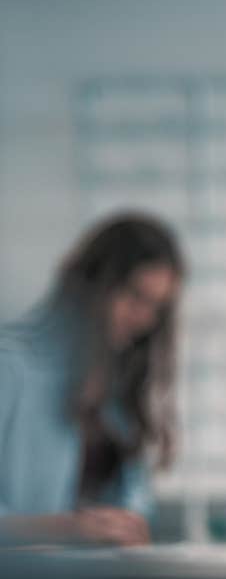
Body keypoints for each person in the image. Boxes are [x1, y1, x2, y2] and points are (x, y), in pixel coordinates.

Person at [0, 213, 184, 547]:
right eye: (134, 296)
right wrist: (68, 530)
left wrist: (132, 531)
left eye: (157, 307)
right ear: (91, 284)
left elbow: (136, 506)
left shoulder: (118, 393)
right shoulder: (9, 368)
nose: (145, 319)